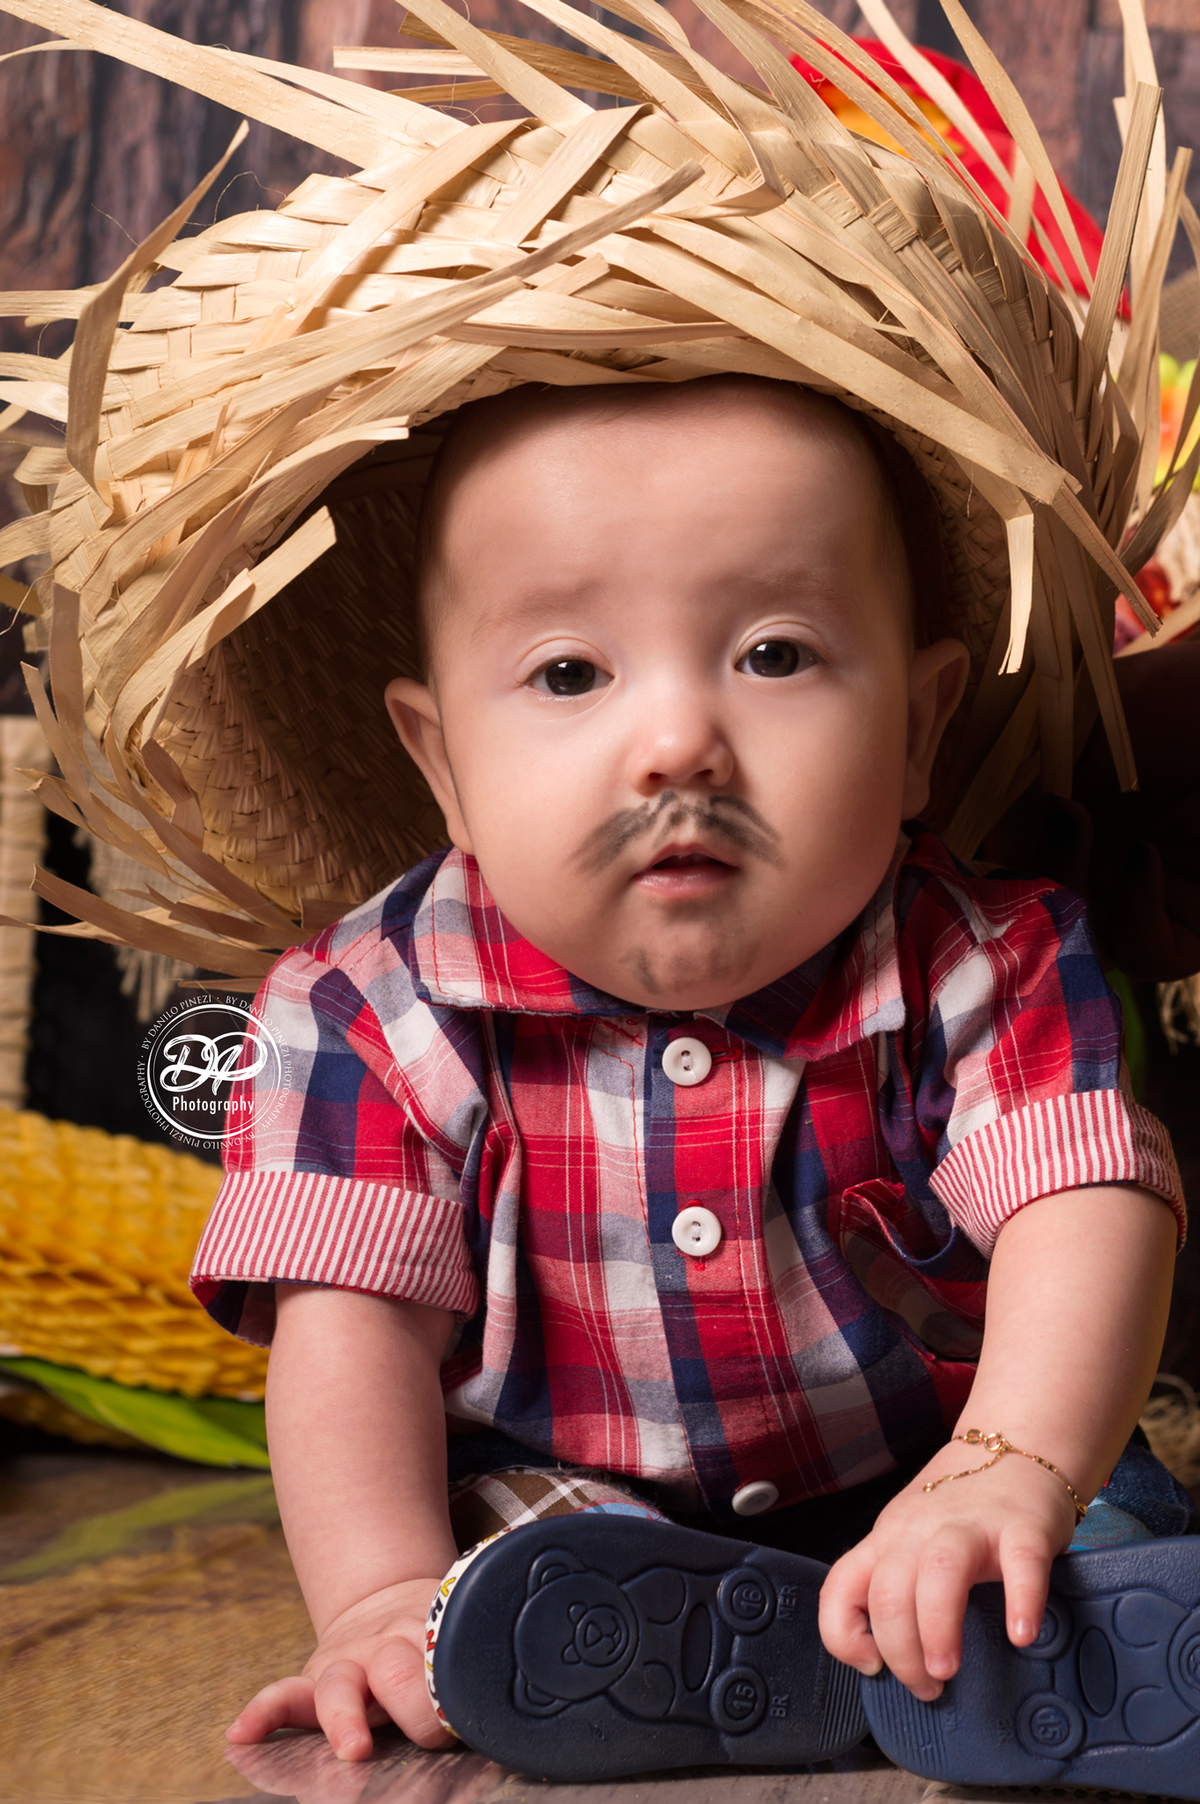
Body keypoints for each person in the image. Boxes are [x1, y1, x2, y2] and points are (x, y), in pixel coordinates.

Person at [189, 375, 1194, 1782]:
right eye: (569, 675)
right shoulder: (368, 1011)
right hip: (590, 1508)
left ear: (918, 727)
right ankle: (761, 1657)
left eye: (774, 654)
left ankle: (1043, 1621)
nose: (676, 745)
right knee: (501, 1580)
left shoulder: (983, 960)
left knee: (1093, 1516)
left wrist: (1008, 1467)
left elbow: (1081, 1207)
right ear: (444, 764)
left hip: (943, 1457)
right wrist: (376, 1593)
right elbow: (350, 1333)